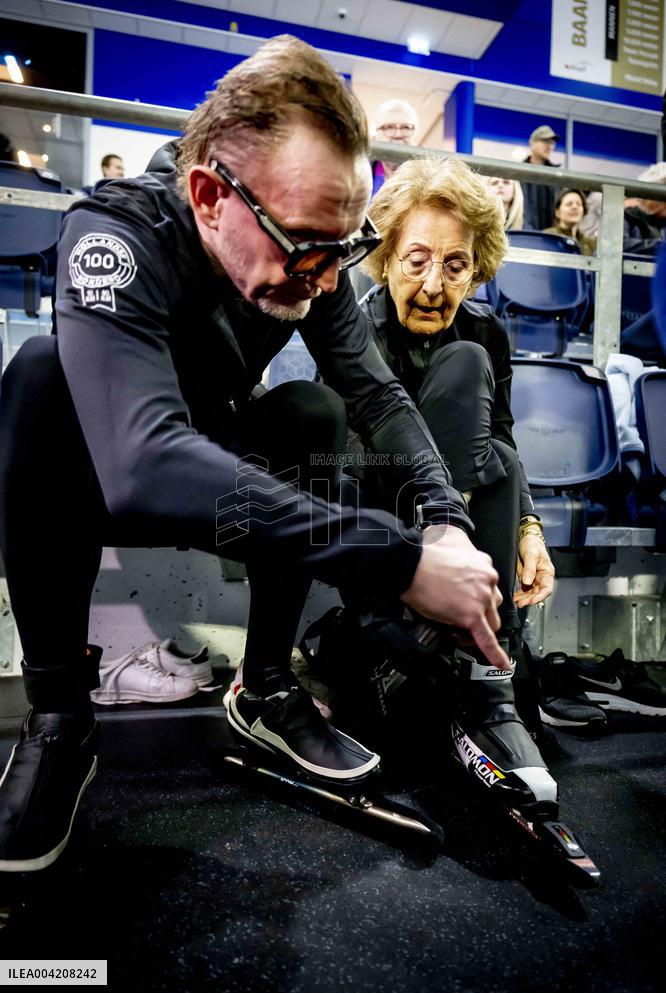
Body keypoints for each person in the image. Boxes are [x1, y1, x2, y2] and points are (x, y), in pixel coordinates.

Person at [0, 35, 506, 873]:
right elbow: (146, 467)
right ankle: (60, 717)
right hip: (111, 472)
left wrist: (446, 522)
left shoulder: (313, 254)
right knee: (38, 375)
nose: (322, 277)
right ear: (208, 196)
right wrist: (397, 555)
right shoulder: (116, 233)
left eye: (340, 249)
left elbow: (378, 395)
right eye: (306, 245)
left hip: (224, 477)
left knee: (313, 409)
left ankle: (266, 685)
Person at [357, 155, 555, 650]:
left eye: (454, 265)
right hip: (379, 493)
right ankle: (485, 649)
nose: (432, 285)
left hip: (460, 494)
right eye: (417, 259)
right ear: (386, 258)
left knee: (502, 454)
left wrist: (531, 529)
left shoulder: (486, 328)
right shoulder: (355, 331)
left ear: (475, 269)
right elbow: (344, 456)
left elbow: (501, 438)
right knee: (469, 373)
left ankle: (486, 658)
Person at [371, 99, 420, 196]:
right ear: (375, 136)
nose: (398, 134)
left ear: (416, 136)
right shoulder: (358, 174)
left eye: (406, 127)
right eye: (389, 127)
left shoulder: (432, 178)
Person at [522, 125, 560, 230]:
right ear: (532, 143)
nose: (549, 146)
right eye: (545, 141)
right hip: (524, 233)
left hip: (550, 236)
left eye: (552, 143)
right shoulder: (518, 173)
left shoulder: (557, 177)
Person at [543, 188, 597, 255]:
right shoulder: (548, 237)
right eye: (569, 204)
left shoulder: (589, 245)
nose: (575, 207)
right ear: (557, 212)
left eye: (579, 204)